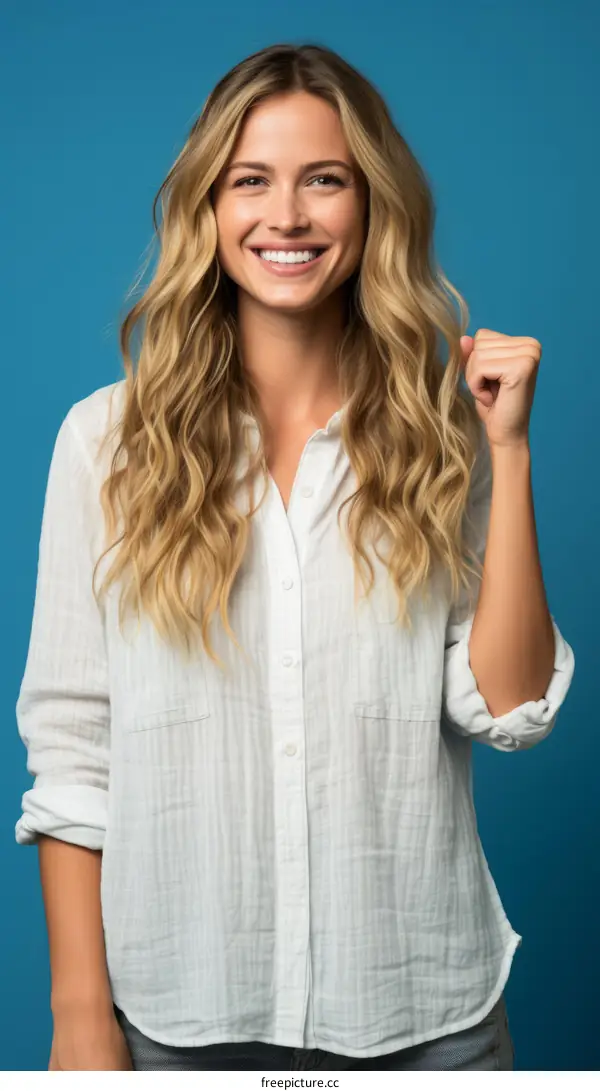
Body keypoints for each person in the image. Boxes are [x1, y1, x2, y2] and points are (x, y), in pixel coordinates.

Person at [15, 42, 575, 1072]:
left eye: (325, 179)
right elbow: (74, 748)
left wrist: (507, 447)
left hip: (429, 1023)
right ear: (208, 208)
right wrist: (79, 1017)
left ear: (372, 208)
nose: (288, 215)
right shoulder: (105, 444)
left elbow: (509, 709)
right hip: (176, 1022)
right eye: (250, 180)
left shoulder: (445, 438)